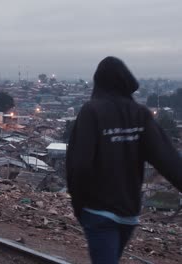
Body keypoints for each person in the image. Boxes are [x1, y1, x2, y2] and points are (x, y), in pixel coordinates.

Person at [66, 56, 182, 264]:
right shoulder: (140, 114)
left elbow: (80, 165)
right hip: (129, 214)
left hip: (98, 211)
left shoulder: (91, 111)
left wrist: (78, 205)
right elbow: (168, 160)